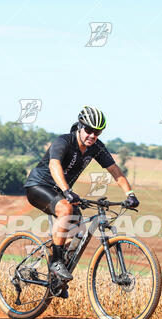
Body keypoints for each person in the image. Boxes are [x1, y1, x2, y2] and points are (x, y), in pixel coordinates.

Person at [24, 106, 139, 297]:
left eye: (97, 132)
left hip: (62, 192)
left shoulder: (96, 147)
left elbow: (115, 170)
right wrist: (67, 191)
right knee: (66, 209)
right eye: (89, 130)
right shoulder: (64, 141)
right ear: (80, 126)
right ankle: (56, 263)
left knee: (79, 229)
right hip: (39, 186)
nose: (93, 135)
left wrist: (131, 194)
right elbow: (54, 165)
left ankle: (56, 280)